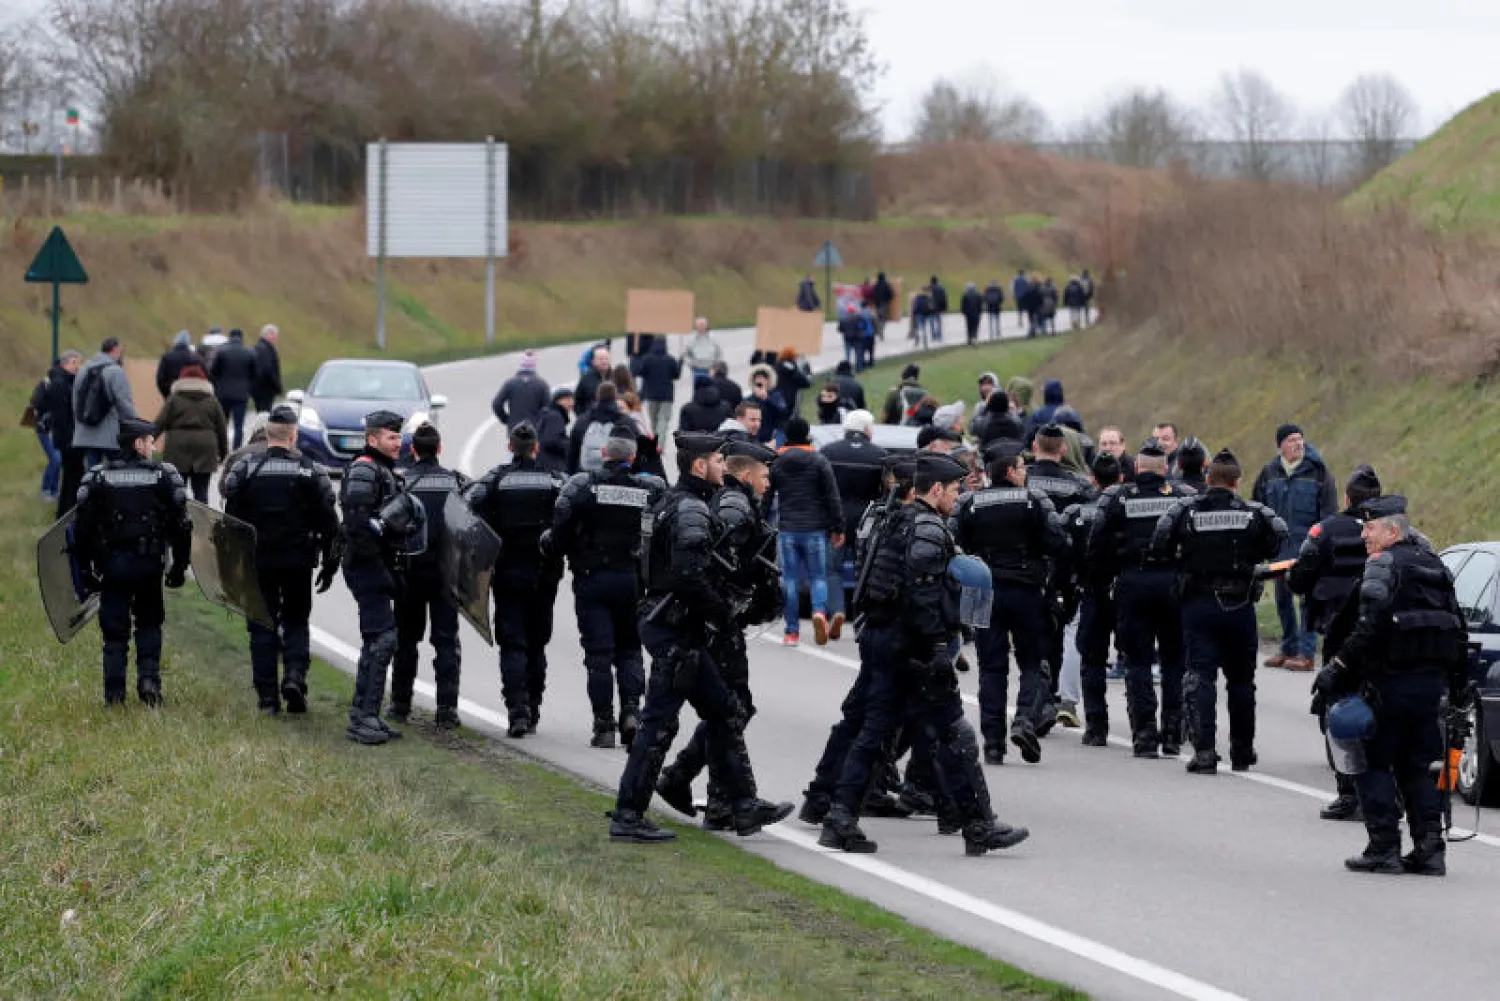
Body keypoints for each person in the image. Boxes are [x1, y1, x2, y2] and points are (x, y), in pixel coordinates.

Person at [819, 453, 1029, 857]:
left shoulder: (896, 518)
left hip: (886, 639)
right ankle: (979, 825)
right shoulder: (929, 527)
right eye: (953, 489)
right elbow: (923, 593)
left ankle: (840, 818)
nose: (957, 496)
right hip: (912, 647)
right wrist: (936, 646)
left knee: (877, 732)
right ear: (935, 489)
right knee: (955, 732)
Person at [609, 431, 790, 843]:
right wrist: (723, 612)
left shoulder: (677, 503)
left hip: (681, 630)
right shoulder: (690, 508)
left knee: (725, 713)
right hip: (676, 631)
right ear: (698, 466)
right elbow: (688, 576)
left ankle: (743, 806)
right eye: (717, 462)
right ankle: (627, 814)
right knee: (658, 725)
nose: (723, 469)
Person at [1314, 495, 1468, 876]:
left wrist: (1337, 668)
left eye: (1369, 528)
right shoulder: (1436, 567)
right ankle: (1430, 850)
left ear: (1392, 531)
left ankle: (1383, 849)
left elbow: (1369, 626)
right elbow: (1458, 628)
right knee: (1417, 768)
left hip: (1389, 683)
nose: (1363, 535)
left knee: (1374, 762)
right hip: (1430, 687)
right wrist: (1460, 686)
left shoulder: (1383, 565)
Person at [657, 438, 787, 830]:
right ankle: (698, 788)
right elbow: (714, 562)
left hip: (724, 620)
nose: (768, 484)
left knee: (731, 708)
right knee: (731, 707)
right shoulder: (733, 505)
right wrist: (725, 603)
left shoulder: (743, 502)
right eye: (764, 476)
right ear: (745, 474)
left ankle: (712, 797)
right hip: (716, 622)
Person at [1153, 448, 1287, 773]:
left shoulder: (1187, 511)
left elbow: (1159, 542)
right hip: (1240, 605)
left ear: (1207, 478)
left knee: (1199, 677)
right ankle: (1242, 751)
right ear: (1237, 482)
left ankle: (1204, 752)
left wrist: (1181, 561)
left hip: (1199, 604)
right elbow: (1279, 536)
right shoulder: (1253, 513)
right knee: (1241, 681)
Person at [951, 443, 1068, 764]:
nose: (1026, 473)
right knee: (1033, 662)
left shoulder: (969, 502)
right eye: (1022, 468)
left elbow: (953, 543)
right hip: (1025, 588)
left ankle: (992, 743)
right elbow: (1057, 541)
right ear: (1011, 472)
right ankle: (1025, 720)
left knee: (990, 667)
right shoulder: (1034, 501)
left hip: (980, 590)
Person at [552, 424, 666, 748]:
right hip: (631, 581)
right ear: (632, 457)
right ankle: (632, 712)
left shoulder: (583, 486)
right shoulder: (649, 490)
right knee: (630, 650)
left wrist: (556, 548)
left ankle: (603, 726)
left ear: (604, 454)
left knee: (598, 655)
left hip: (592, 580)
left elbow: (560, 524)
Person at [222, 405, 339, 715]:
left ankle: (267, 699)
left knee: (262, 627)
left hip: (258, 562)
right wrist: (330, 562)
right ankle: (295, 678)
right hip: (298, 561)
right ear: (293, 434)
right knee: (297, 621)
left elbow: (229, 522)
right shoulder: (311, 471)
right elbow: (330, 522)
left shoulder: (246, 470)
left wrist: (231, 568)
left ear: (268, 433)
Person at [72, 418, 191, 707]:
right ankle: (149, 683)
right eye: (151, 442)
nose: (153, 447)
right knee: (149, 624)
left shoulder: (98, 478)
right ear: (138, 443)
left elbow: (81, 530)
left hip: (112, 568)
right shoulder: (163, 477)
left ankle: (114, 694)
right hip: (149, 566)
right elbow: (182, 525)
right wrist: (179, 567)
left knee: (115, 632)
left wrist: (85, 571)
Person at [1289, 465, 1384, 822]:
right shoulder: (1396, 533)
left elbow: (1299, 578)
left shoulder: (1326, 530)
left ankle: (1349, 793)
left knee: (1338, 708)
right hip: (1383, 636)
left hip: (1341, 636)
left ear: (1346, 498)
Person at [1088, 442, 1196, 757]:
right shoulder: (1182, 498)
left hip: (1132, 584)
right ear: (1167, 469)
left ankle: (1145, 735)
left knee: (1137, 662)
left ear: (1136, 469)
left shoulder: (1117, 498)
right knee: (1174, 661)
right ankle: (1173, 733)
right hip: (1172, 586)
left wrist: (1102, 584)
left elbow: (1098, 546)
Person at [467, 421, 565, 737]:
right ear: (536, 447)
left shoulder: (496, 480)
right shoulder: (555, 481)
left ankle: (517, 712)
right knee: (537, 644)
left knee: (512, 644)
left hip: (508, 573)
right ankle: (533, 708)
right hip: (544, 575)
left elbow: (467, 507)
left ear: (510, 447)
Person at [339, 409, 415, 746]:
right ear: (372, 439)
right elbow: (357, 527)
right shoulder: (363, 470)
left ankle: (366, 713)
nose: (397, 443)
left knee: (379, 639)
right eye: (391, 437)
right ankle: (363, 718)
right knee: (382, 639)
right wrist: (379, 569)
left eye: (399, 437)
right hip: (366, 565)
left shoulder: (382, 470)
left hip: (380, 565)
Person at [388, 424, 468, 729]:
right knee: (446, 642)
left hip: (410, 573)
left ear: (412, 450)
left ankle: (399, 706)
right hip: (446, 575)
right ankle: (447, 710)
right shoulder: (456, 482)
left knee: (406, 641)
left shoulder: (402, 483)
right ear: (439, 449)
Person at [1026, 425, 1097, 728]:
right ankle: (1051, 695)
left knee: (1032, 636)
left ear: (1034, 445)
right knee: (1059, 634)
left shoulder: (1022, 479)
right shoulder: (1079, 486)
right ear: (1064, 450)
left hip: (1027, 569)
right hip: (1064, 571)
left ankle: (1035, 698)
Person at [1252, 423, 1338, 672]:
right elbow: (1258, 508)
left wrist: (1321, 545)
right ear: (1280, 445)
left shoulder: (1319, 473)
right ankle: (1288, 647)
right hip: (1279, 550)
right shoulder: (1269, 472)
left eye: (1300, 439)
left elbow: (1329, 514)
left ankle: (1307, 653)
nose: (1298, 444)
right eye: (1291, 440)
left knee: (1308, 601)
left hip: (1307, 550)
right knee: (1282, 599)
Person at [768, 417, 843, 646]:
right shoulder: (819, 461)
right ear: (807, 434)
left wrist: (761, 523)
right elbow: (832, 495)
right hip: (815, 528)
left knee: (789, 579)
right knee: (818, 576)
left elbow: (767, 496)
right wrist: (838, 526)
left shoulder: (777, 462)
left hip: (788, 528)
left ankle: (791, 632)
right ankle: (819, 612)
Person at [820, 410, 887, 639]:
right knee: (865, 571)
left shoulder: (829, 452)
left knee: (832, 569)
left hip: (836, 518)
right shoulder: (880, 455)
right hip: (867, 519)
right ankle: (860, 621)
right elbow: (885, 492)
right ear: (867, 429)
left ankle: (837, 610)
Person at [1072, 452, 1124, 744]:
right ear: (1120, 479)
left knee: (1092, 661)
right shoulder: (1125, 508)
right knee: (1135, 658)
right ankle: (1146, 729)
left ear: (1093, 479)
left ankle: (1096, 727)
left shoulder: (1078, 513)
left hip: (1092, 592)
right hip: (1124, 591)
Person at [152, 363, 227, 503]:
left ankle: (178, 521)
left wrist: (146, 442)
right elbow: (221, 428)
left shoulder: (173, 400)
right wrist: (223, 453)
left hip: (177, 447)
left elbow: (160, 423)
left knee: (176, 490)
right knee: (201, 491)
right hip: (205, 448)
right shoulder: (212, 400)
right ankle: (202, 522)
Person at [73, 337, 139, 471]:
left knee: (92, 471)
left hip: (86, 432)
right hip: (110, 434)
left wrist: (79, 423)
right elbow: (124, 402)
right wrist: (136, 423)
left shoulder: (83, 370)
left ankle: (92, 491)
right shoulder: (115, 371)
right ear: (115, 350)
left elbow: (75, 400)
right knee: (119, 472)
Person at [32, 353, 79, 503]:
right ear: (63, 365)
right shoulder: (50, 383)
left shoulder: (68, 382)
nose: (76, 366)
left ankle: (53, 490)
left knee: (57, 459)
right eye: (73, 363)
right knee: (56, 459)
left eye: (77, 363)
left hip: (57, 429)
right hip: (46, 429)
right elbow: (36, 402)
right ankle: (46, 490)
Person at [208, 327, 258, 450]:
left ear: (230, 337)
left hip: (223, 393)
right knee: (238, 426)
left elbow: (213, 372)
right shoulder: (249, 353)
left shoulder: (222, 352)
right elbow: (255, 374)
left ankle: (221, 450)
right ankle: (236, 450)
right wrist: (248, 388)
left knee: (222, 424)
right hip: (241, 395)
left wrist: (217, 386)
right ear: (242, 337)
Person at [628, 338, 680, 442]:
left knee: (654, 420)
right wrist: (681, 362)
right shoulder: (670, 359)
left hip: (651, 395)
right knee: (663, 420)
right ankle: (660, 444)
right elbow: (676, 375)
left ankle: (656, 442)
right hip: (667, 395)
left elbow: (638, 372)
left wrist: (634, 357)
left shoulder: (647, 359)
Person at [568, 381, 626, 474]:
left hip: (587, 475)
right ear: (616, 397)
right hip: (616, 477)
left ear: (597, 396)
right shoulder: (625, 421)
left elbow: (572, 452)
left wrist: (571, 474)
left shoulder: (583, 421)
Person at [492, 350, 552, 430]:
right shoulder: (542, 384)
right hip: (535, 427)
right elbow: (548, 407)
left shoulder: (510, 383)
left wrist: (506, 419)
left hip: (515, 426)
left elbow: (496, 404)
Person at [536, 385, 573, 474]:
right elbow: (551, 441)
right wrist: (570, 445)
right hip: (552, 465)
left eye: (572, 400)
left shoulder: (549, 414)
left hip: (544, 463)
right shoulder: (555, 416)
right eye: (568, 400)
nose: (572, 403)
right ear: (558, 401)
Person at [746, 365, 788, 444]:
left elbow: (783, 412)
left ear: (768, 381)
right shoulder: (749, 399)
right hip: (756, 435)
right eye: (757, 380)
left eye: (763, 378)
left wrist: (766, 399)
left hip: (775, 434)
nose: (760, 382)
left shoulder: (776, 395)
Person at [155, 331, 200, 400]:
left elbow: (160, 379)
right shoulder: (196, 358)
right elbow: (202, 378)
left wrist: (167, 395)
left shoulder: (167, 357)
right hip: (191, 398)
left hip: (171, 395)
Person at [251, 324, 283, 414]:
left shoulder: (260, 347)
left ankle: (262, 427)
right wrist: (276, 384)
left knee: (262, 413)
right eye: (275, 336)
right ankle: (262, 428)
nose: (276, 339)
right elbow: (267, 369)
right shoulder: (265, 349)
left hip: (259, 387)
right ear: (268, 335)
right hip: (265, 388)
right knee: (264, 414)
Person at [574, 345, 612, 416]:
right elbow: (578, 401)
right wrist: (583, 418)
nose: (604, 361)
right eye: (601, 359)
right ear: (593, 361)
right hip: (592, 419)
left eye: (606, 358)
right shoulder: (586, 378)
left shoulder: (616, 376)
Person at [871, 271, 895, 340]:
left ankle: (879, 331)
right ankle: (881, 331)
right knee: (883, 319)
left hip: (877, 304)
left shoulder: (875, 285)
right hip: (884, 304)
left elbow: (872, 294)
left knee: (879, 318)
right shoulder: (886, 284)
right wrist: (888, 299)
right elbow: (891, 293)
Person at [960, 282, 983, 346]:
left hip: (968, 314)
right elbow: (980, 305)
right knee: (975, 327)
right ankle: (974, 338)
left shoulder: (965, 295)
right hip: (976, 313)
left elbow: (963, 305)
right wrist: (980, 312)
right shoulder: (978, 295)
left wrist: (963, 312)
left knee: (969, 327)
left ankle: (969, 339)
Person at [928, 275, 949, 341]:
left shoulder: (929, 288)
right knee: (938, 321)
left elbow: (926, 298)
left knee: (932, 322)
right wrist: (945, 307)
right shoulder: (942, 288)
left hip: (931, 307)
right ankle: (939, 335)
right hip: (939, 307)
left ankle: (933, 335)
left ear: (931, 281)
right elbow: (945, 298)